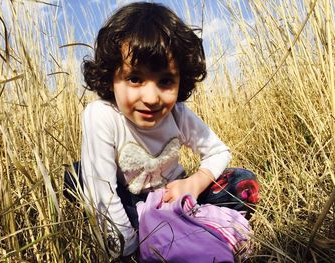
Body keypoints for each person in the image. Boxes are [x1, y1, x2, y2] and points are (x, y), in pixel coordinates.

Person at [76, 1, 259, 259]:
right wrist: (128, 248)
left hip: (175, 198)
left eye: (165, 81)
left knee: (241, 180)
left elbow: (218, 152)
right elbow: (104, 193)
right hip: (129, 201)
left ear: (180, 80)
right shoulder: (102, 116)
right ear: (111, 77)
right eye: (135, 79)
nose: (151, 97)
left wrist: (193, 184)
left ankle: (181, 224)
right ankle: (159, 232)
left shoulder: (178, 114)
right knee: (81, 177)